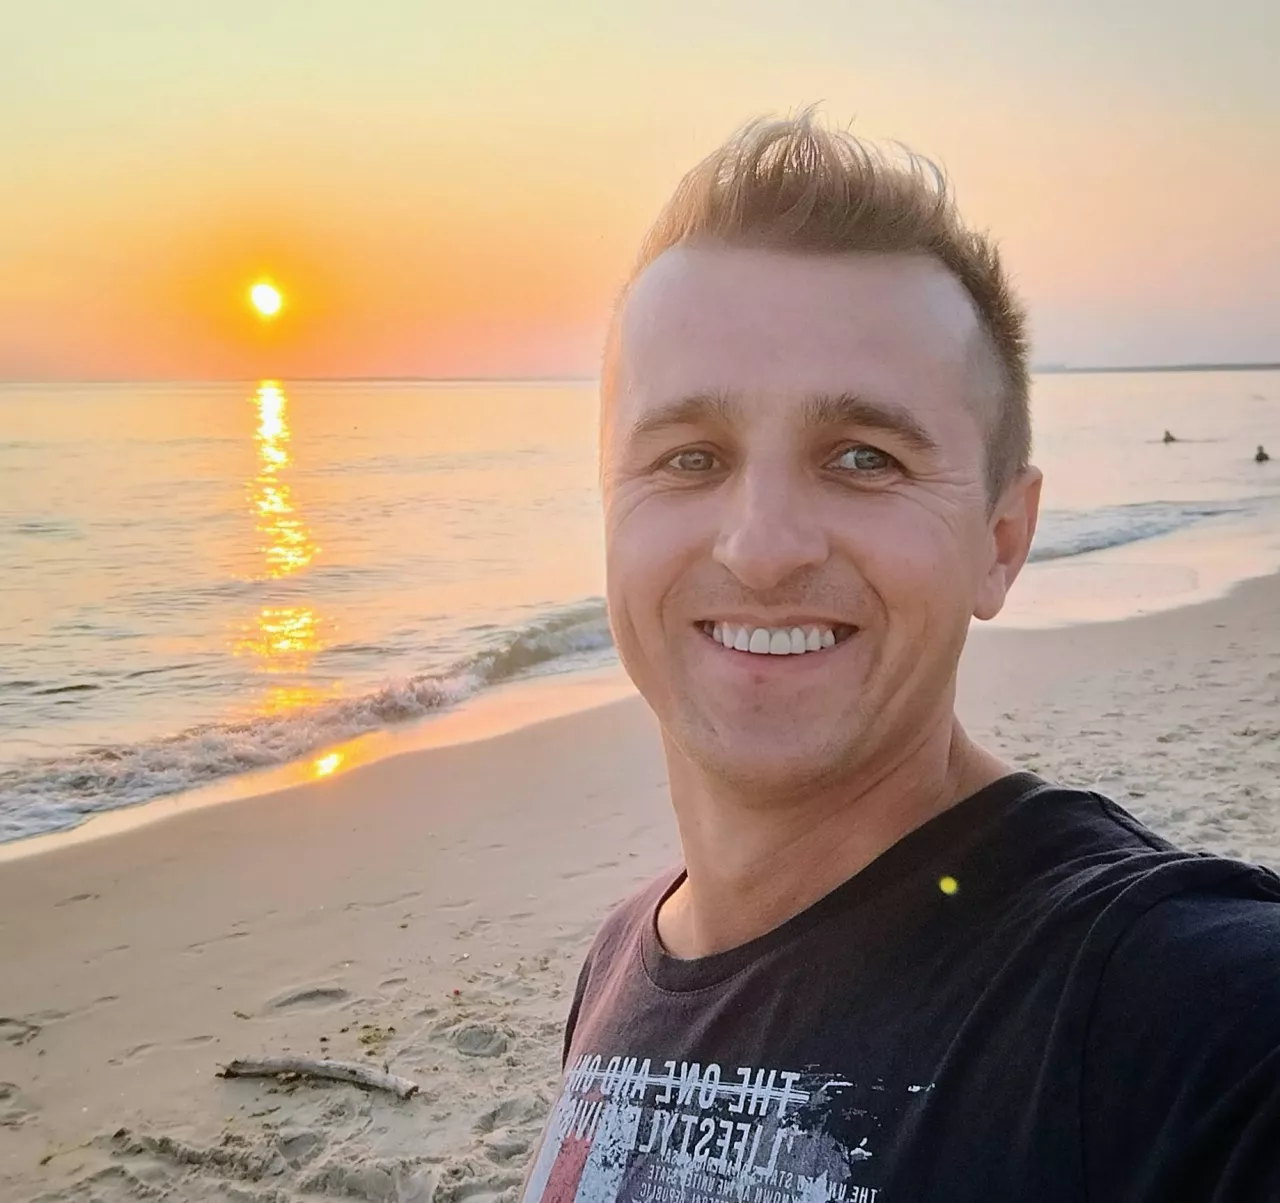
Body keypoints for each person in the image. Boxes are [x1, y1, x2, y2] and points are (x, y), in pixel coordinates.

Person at [521, 114, 1280, 1203]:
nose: (762, 547)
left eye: (862, 457)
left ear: (1000, 542)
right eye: (688, 457)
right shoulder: (616, 962)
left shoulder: (1169, 1006)